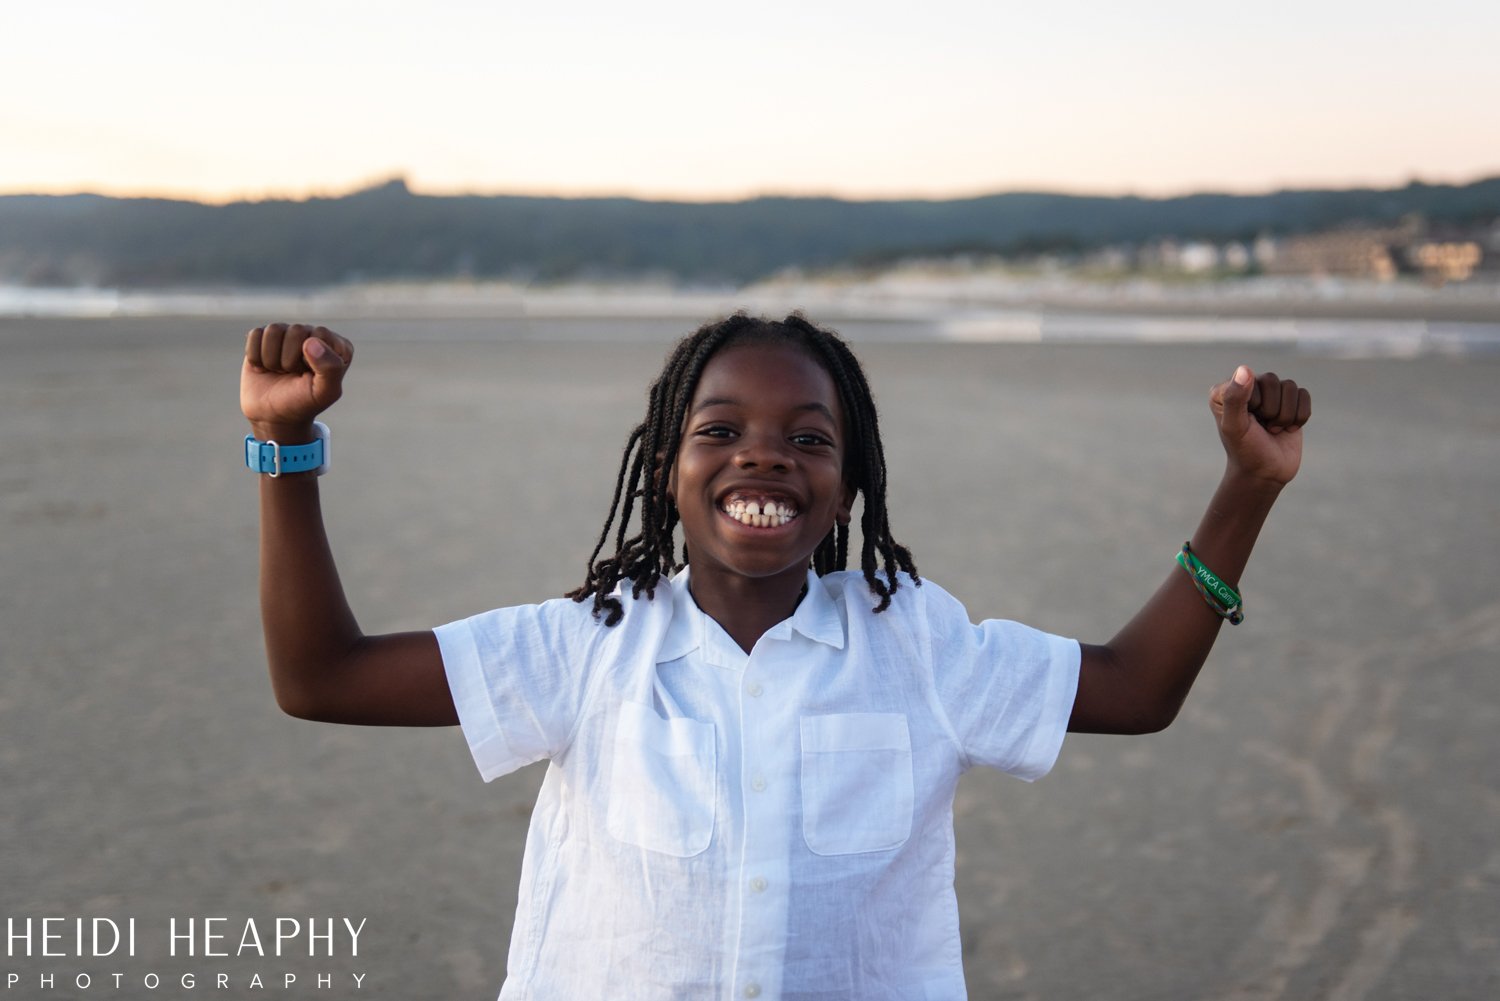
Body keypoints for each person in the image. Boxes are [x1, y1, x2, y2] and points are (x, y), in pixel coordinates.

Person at [241, 313, 1311, 1000]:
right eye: (721, 430)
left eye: (809, 437)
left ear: (848, 486)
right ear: (666, 467)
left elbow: (1135, 687)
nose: (764, 452)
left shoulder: (919, 642)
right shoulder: (587, 648)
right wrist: (285, 450)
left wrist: (1248, 487)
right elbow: (321, 676)